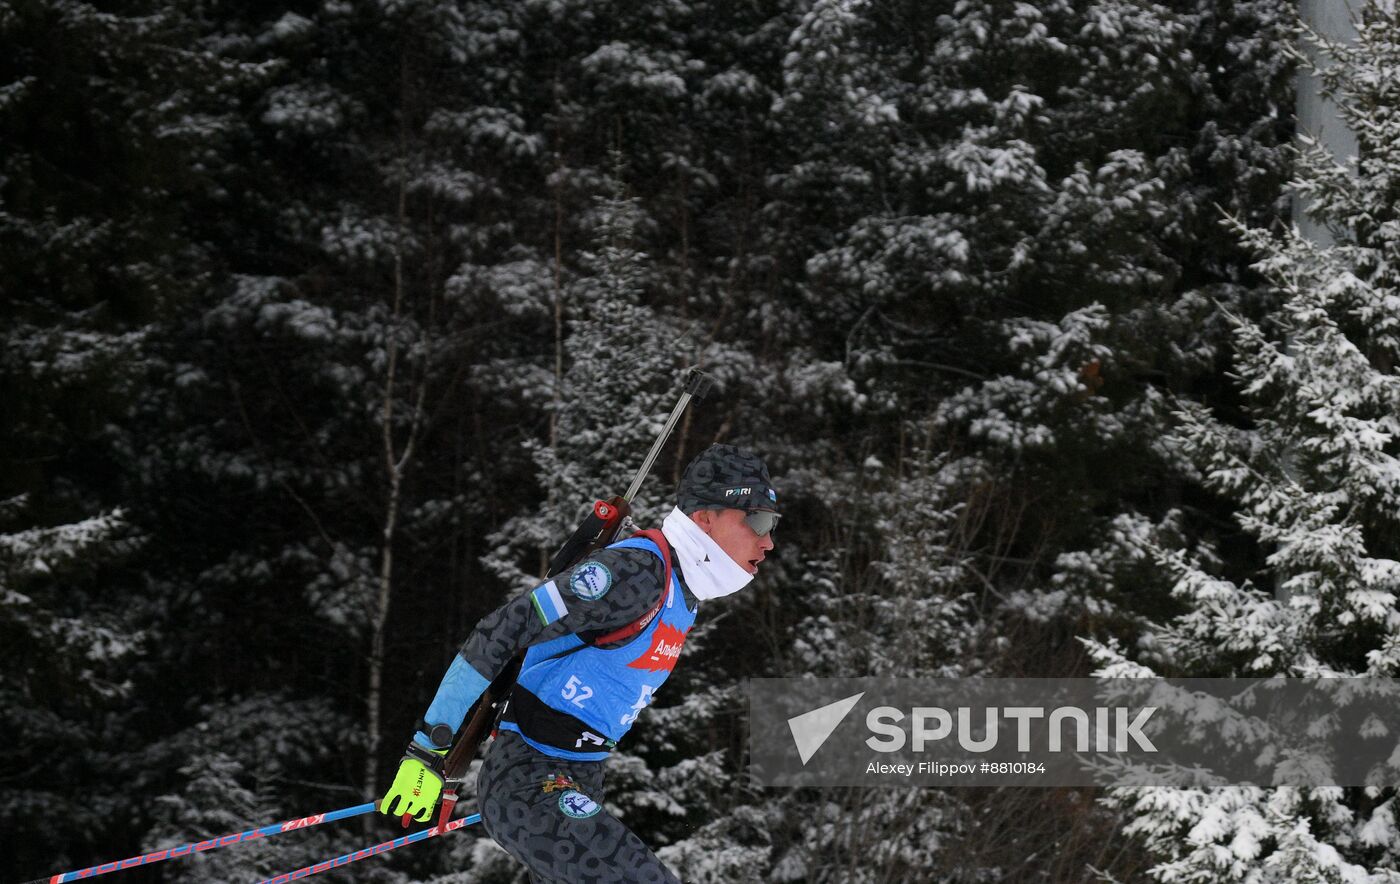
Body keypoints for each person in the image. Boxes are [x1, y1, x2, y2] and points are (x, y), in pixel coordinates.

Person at [379, 443, 780, 883]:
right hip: (528, 780)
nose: (768, 540)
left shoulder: (682, 592)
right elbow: (506, 627)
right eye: (757, 520)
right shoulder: (637, 573)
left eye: (772, 524)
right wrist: (428, 748)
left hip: (577, 778)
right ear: (705, 516)